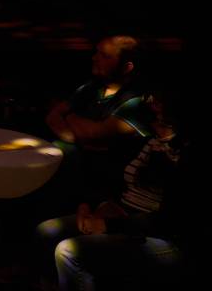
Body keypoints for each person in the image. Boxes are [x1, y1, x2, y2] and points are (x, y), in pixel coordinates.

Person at [35, 82, 192, 289]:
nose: (153, 105)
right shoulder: (145, 140)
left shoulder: (185, 153)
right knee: (47, 231)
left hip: (159, 234)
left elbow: (170, 220)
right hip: (124, 214)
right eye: (152, 100)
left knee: (68, 250)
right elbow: (108, 177)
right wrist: (91, 205)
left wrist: (110, 225)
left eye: (159, 104)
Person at [45, 35, 153, 204]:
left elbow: (95, 133)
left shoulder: (138, 100)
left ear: (127, 67)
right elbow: (53, 115)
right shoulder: (90, 87)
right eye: (96, 52)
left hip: (108, 187)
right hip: (78, 174)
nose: (94, 58)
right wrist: (73, 137)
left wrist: (70, 117)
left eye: (105, 56)